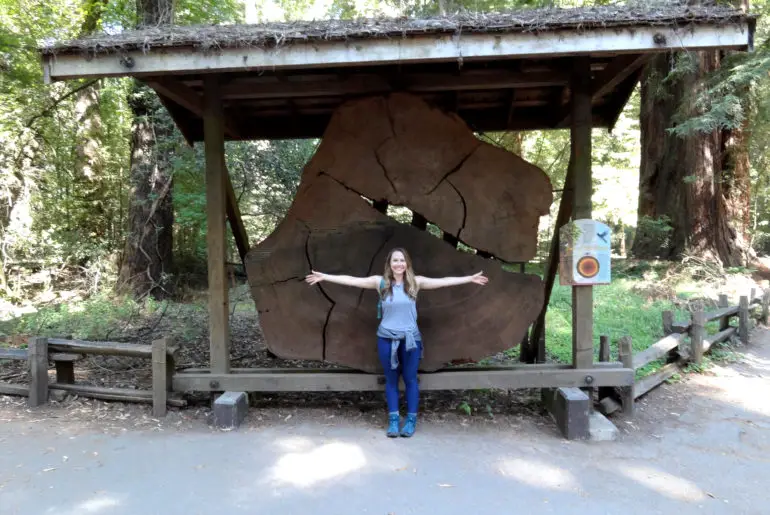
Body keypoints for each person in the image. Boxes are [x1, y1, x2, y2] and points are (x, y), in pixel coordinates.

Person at [305, 247, 488, 438]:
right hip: (386, 338)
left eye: (402, 260)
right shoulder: (380, 282)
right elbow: (352, 280)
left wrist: (469, 279)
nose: (399, 264)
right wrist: (325, 277)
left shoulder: (416, 283)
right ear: (389, 264)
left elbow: (444, 282)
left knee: (410, 379)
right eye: (395, 260)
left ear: (407, 263)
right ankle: (393, 420)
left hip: (410, 340)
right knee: (391, 380)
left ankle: (410, 420)